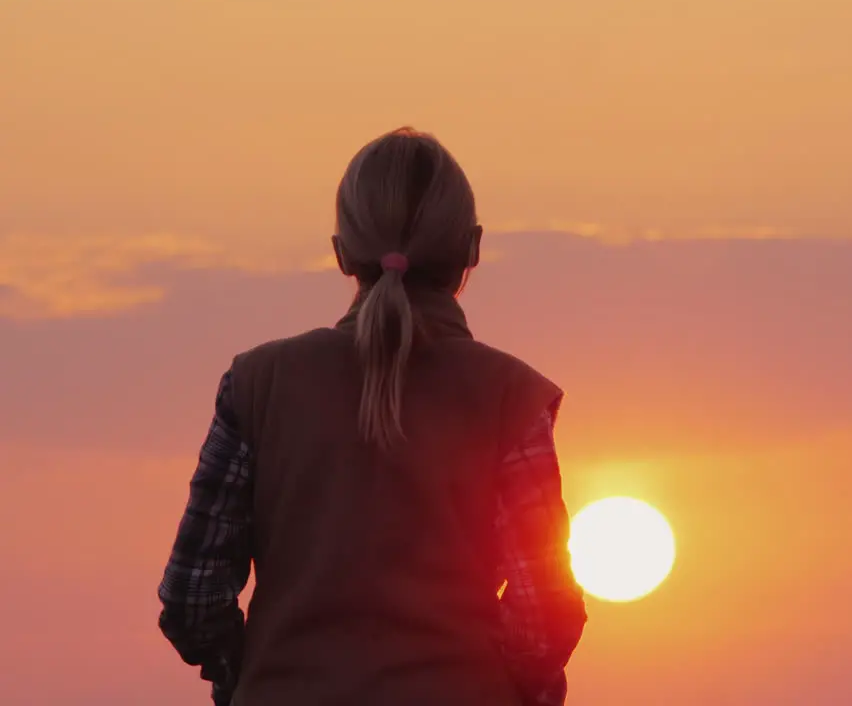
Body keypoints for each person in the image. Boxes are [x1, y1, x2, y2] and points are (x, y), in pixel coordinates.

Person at [157, 127, 587, 705]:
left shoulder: (256, 385)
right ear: (473, 248)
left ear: (340, 252)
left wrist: (254, 677)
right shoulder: (512, 397)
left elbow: (192, 599)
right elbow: (547, 613)